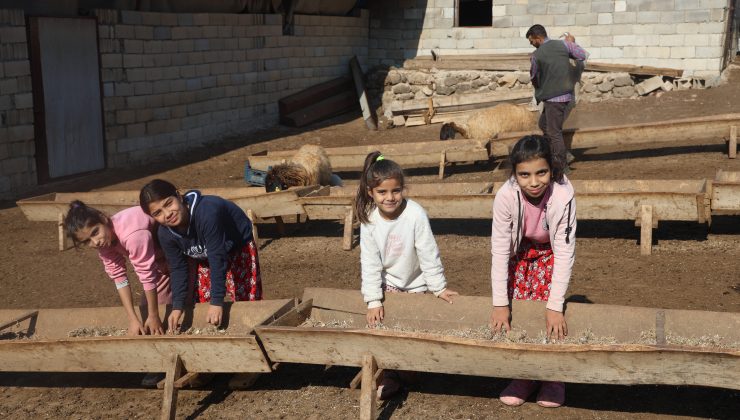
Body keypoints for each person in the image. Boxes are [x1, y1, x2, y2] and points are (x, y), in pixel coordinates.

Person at [355, 151, 459, 399]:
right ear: (371, 192)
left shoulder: (415, 213)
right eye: (382, 192)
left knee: (413, 333)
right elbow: (369, 263)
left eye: (396, 191)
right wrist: (373, 300)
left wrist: (438, 287)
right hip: (388, 284)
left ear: (403, 189)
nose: (390, 198)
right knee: (385, 329)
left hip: (416, 283)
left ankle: (407, 372)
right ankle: (390, 374)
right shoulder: (369, 220)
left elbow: (428, 252)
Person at [489, 135, 577, 408]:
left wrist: (554, 305)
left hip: (549, 253)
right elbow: (500, 250)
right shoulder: (505, 196)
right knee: (520, 306)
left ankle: (553, 377)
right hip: (521, 252)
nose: (534, 181)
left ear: (552, 169)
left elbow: (565, 251)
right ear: (515, 175)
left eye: (541, 172)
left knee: (548, 311)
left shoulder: (563, 196)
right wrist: (500, 303)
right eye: (524, 175)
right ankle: (524, 375)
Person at [139, 179, 262, 332]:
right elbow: (178, 268)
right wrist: (177, 306)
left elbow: (217, 257)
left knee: (246, 298)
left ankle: (252, 333)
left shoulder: (207, 212)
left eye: (168, 203)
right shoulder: (165, 234)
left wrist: (217, 303)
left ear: (179, 196)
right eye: (158, 213)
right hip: (204, 253)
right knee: (204, 300)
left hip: (237, 245)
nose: (167, 214)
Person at [65, 201, 171, 336]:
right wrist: (133, 319)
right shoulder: (104, 243)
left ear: (103, 219)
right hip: (160, 261)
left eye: (95, 232)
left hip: (180, 253)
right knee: (147, 312)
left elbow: (147, 274)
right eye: (87, 241)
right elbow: (119, 277)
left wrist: (154, 315)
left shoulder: (131, 235)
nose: (95, 242)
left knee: (172, 306)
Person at [526, 24, 588, 172]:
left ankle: (561, 166)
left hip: (553, 99)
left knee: (554, 132)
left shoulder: (536, 56)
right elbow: (582, 55)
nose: (531, 44)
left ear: (538, 38)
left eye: (531, 41)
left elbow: (534, 76)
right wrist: (572, 43)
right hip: (565, 95)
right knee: (543, 124)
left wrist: (540, 89)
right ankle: (559, 155)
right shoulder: (564, 45)